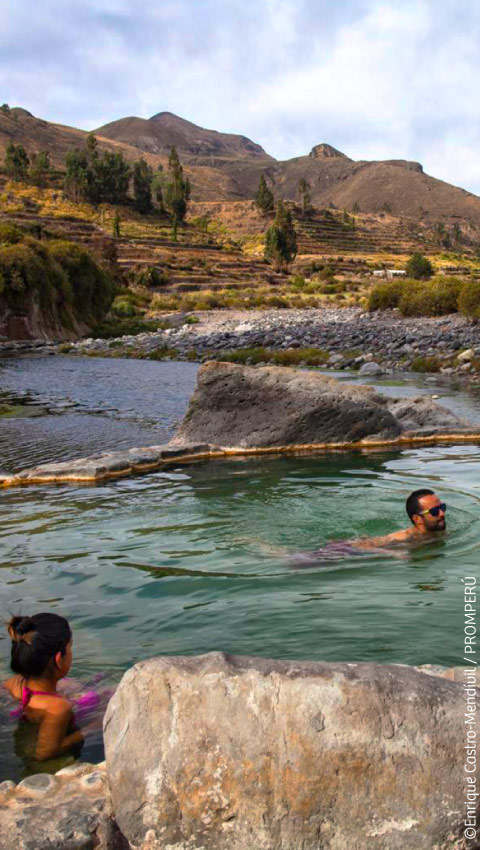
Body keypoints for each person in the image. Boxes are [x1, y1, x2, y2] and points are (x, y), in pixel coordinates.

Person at [2, 613, 100, 762]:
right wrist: (92, 728)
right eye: (70, 646)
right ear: (59, 660)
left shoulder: (13, 683)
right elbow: (44, 752)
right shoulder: (58, 708)